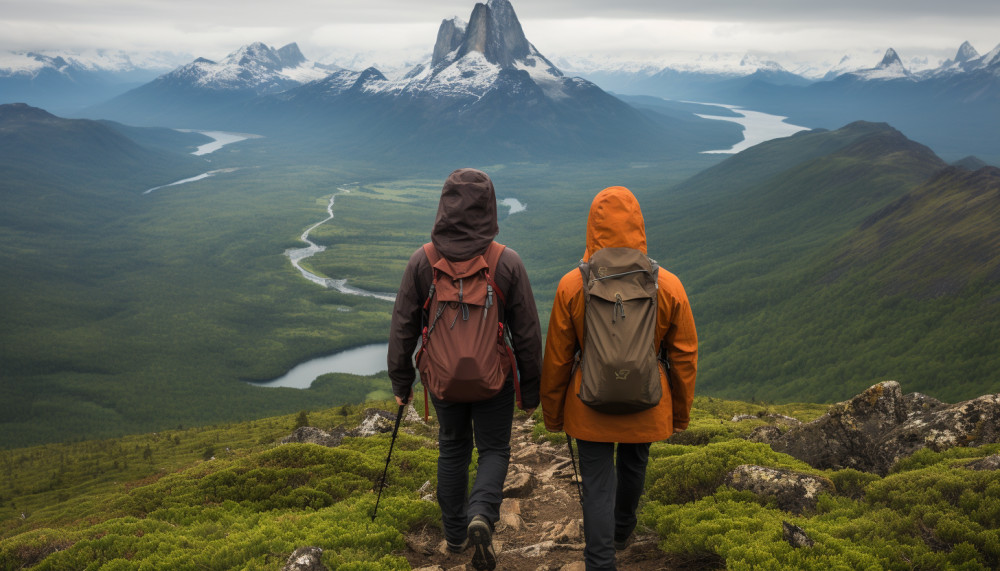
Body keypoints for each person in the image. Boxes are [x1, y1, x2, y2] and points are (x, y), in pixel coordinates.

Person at [388, 168, 542, 571]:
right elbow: (527, 333)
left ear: (444, 206)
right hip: (495, 380)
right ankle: (482, 514)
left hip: (442, 380)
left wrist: (401, 382)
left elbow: (403, 327)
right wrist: (531, 391)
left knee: (453, 447)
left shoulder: (423, 262)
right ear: (489, 209)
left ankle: (455, 534)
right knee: (494, 449)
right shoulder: (506, 262)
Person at [540, 186, 698, 571]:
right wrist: (679, 414)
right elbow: (684, 356)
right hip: (647, 401)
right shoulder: (667, 285)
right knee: (633, 465)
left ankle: (600, 561)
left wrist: (554, 415)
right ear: (639, 227)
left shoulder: (572, 285)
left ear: (592, 229)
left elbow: (558, 358)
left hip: (588, 405)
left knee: (597, 485)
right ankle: (623, 529)